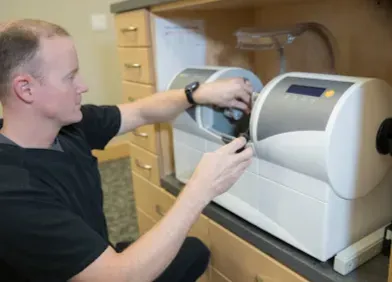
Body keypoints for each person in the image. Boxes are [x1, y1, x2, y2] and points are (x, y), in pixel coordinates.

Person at [0, 19, 254, 282]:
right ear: (26, 88)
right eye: (70, 76)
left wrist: (197, 94)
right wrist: (201, 189)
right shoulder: (12, 192)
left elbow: (141, 111)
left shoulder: (67, 127)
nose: (83, 85)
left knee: (192, 253)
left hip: (94, 262)